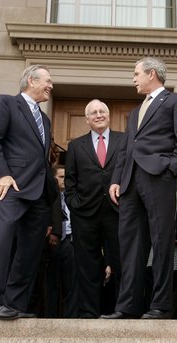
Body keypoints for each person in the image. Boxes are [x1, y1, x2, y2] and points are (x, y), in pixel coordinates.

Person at [102, 57, 177, 319]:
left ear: (151, 73)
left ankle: (161, 305)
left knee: (162, 242)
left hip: (159, 178)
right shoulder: (134, 113)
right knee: (131, 246)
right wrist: (116, 179)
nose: (133, 79)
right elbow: (125, 149)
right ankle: (126, 307)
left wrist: (171, 170)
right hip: (130, 183)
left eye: (136, 74)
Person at [0, 65, 58, 320]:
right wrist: (1, 174)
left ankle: (14, 304)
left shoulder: (44, 119)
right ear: (31, 81)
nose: (51, 86)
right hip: (11, 187)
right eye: (47, 81)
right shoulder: (5, 103)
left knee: (30, 250)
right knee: (1, 241)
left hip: (39, 196)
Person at [64, 99, 124, 318]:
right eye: (93, 112)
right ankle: (89, 311)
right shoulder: (75, 146)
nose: (99, 115)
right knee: (87, 265)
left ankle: (121, 310)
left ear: (108, 116)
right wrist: (75, 203)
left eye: (102, 111)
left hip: (117, 212)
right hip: (85, 214)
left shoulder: (124, 140)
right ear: (87, 119)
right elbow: (70, 180)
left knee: (120, 262)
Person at [45, 165, 79, 318]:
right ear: (53, 179)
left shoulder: (73, 196)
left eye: (67, 177)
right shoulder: (48, 196)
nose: (65, 180)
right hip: (52, 242)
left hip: (71, 241)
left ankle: (71, 316)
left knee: (72, 282)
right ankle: (50, 317)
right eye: (61, 177)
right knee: (51, 282)